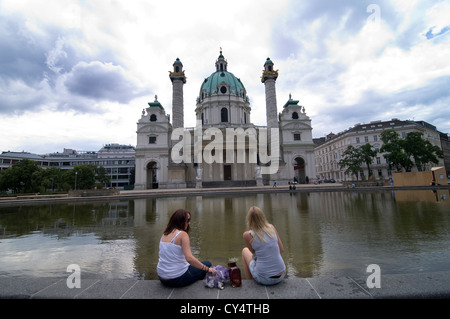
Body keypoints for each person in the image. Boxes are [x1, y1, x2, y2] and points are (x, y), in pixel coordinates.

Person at [157, 209, 216, 287]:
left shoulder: (165, 233)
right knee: (207, 264)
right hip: (175, 279)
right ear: (180, 221)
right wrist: (208, 269)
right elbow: (189, 258)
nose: (189, 223)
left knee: (195, 265)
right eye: (188, 220)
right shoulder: (182, 235)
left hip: (162, 277)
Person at [241, 206, 286, 286]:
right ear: (262, 217)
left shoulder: (247, 235)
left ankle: (249, 283)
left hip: (264, 279)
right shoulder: (271, 227)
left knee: (244, 251)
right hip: (281, 274)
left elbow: (253, 253)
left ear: (249, 219)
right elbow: (281, 249)